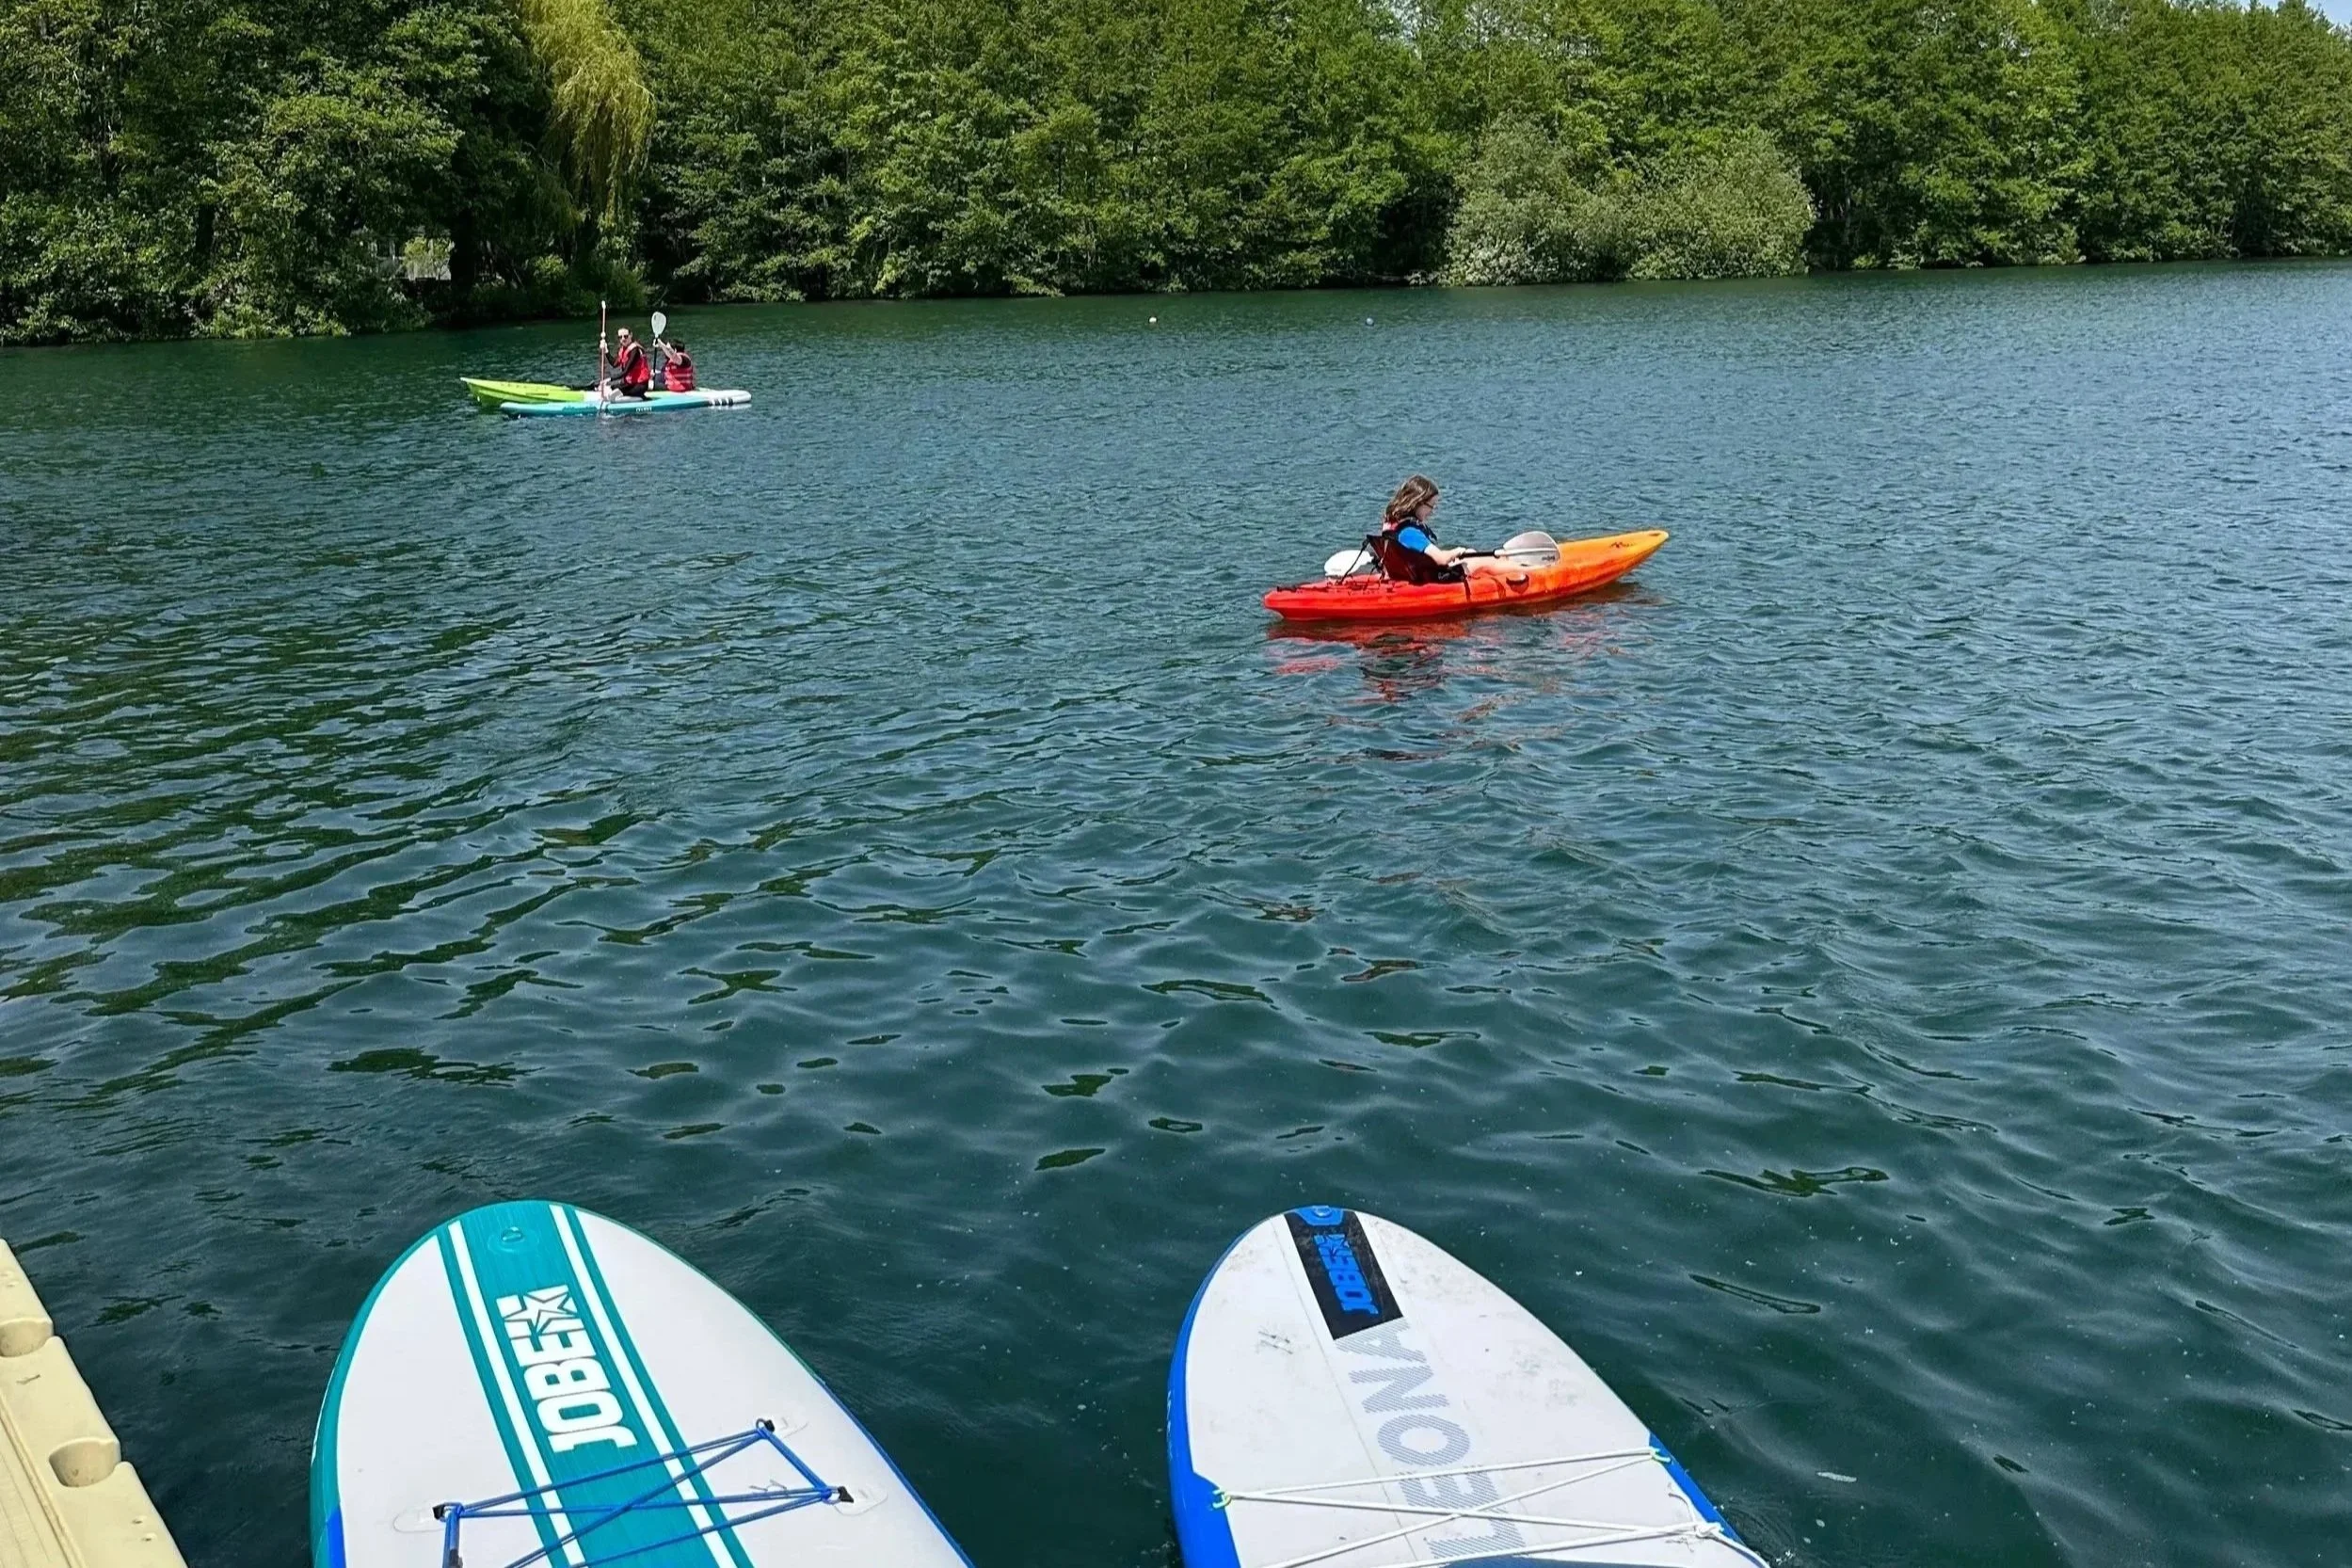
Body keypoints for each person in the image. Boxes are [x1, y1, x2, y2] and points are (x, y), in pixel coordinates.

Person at [1368, 475, 1511, 584]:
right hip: (1433, 577)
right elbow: (1441, 559)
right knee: (1481, 559)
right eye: (1431, 505)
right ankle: (1527, 572)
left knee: (1472, 553)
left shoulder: (1391, 525)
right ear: (1417, 503)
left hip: (1418, 572)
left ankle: (1509, 566)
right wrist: (1457, 550)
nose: (1433, 511)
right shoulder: (1411, 533)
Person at [603, 327, 652, 398]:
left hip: (640, 385)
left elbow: (626, 371)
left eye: (625, 336)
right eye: (620, 337)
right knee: (612, 387)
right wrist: (606, 351)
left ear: (631, 335)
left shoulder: (635, 350)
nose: (623, 339)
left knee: (613, 396)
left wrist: (610, 379)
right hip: (630, 383)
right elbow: (614, 364)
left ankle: (641, 399)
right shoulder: (623, 349)